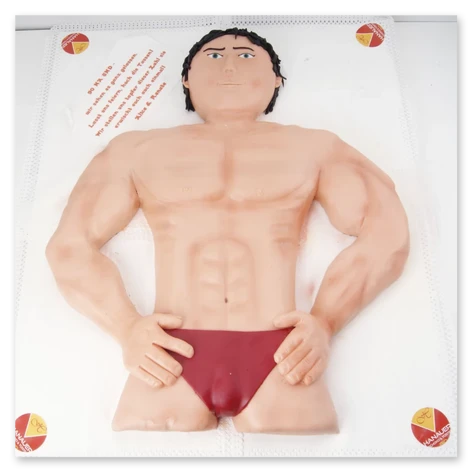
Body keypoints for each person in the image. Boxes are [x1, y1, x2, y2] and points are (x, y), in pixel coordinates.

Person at [45, 28, 410, 434]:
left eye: (247, 56)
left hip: (283, 352)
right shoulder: (134, 151)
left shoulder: (316, 148)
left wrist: (326, 322)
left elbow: (387, 232)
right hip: (169, 352)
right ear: (186, 79)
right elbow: (70, 247)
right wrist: (126, 328)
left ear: (277, 79)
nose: (231, 66)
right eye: (215, 56)